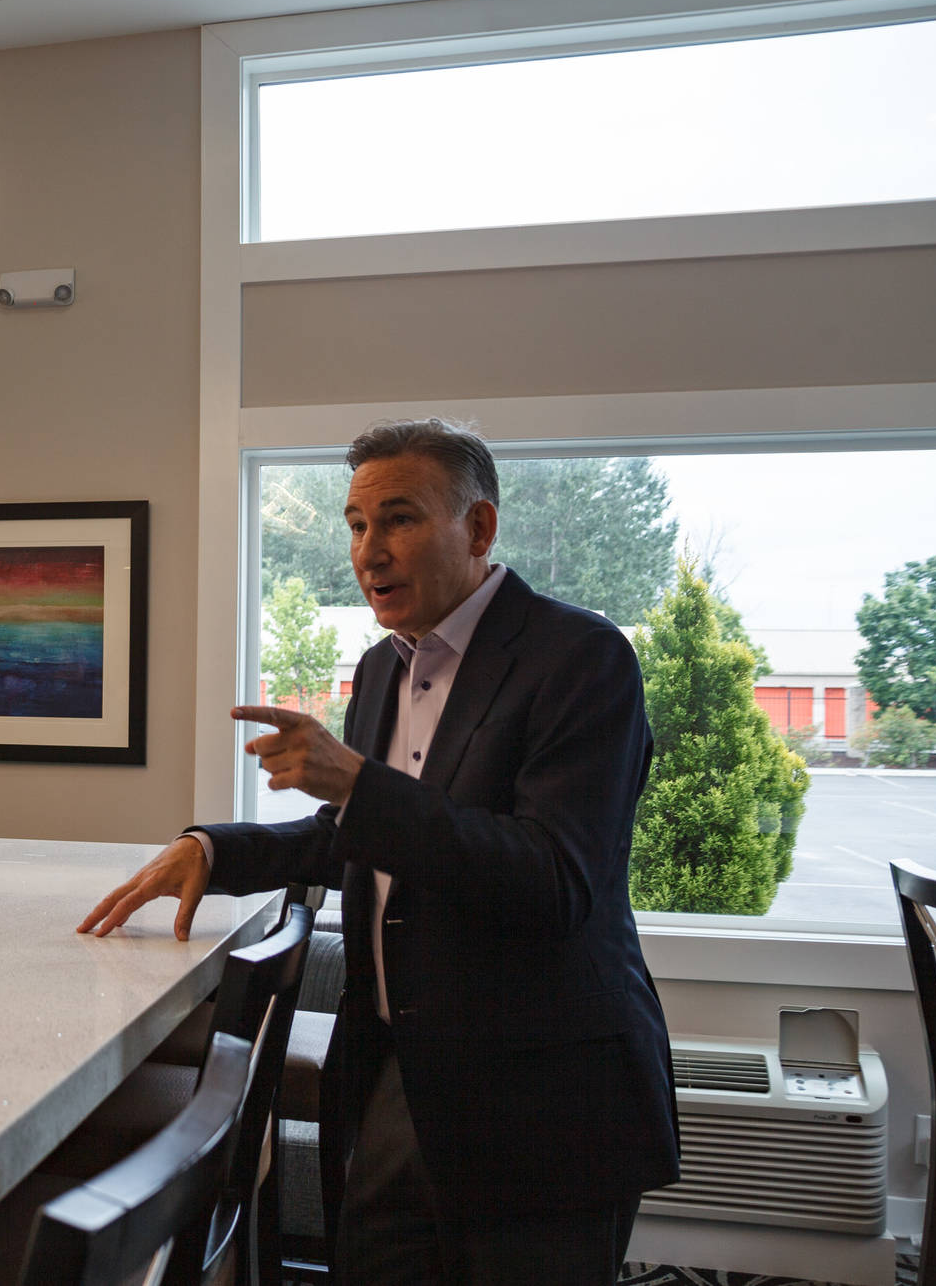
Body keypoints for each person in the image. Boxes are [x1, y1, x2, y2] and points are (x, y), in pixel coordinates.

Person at [77, 419, 678, 1285]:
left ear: (478, 529)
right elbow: (357, 841)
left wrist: (358, 784)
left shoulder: (582, 658)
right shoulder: (379, 668)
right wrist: (217, 849)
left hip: (544, 1104)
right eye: (356, 524)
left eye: (398, 519)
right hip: (397, 1076)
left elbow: (556, 878)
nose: (369, 551)